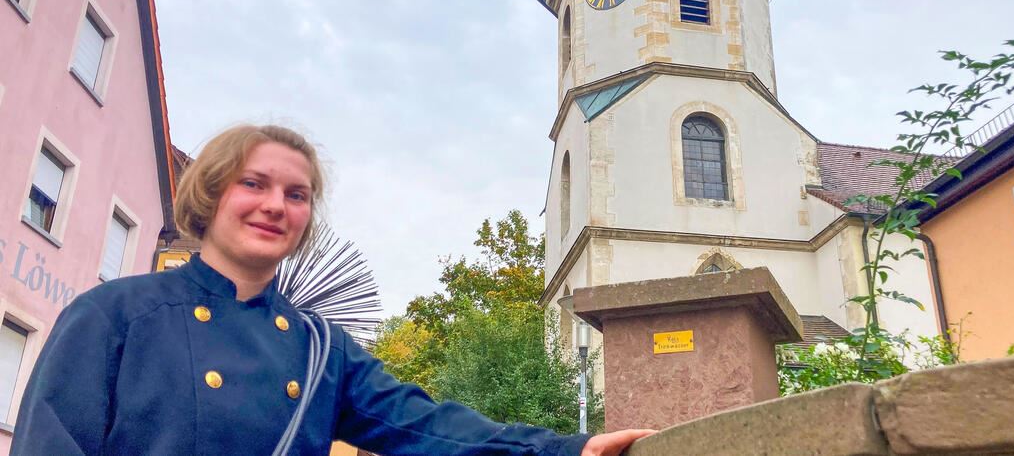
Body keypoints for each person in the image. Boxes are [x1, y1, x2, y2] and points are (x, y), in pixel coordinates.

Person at [12, 124, 653, 455]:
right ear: (209, 193)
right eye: (254, 184)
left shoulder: (321, 350)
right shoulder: (114, 315)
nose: (275, 205)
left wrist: (562, 450)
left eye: (297, 195)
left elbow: (428, 428)